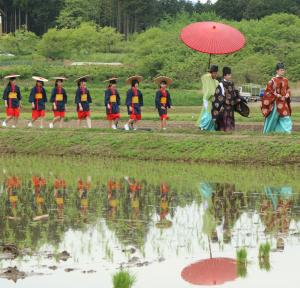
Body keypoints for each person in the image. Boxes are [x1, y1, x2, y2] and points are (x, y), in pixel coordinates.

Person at [261, 63, 292, 134]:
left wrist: (287, 94)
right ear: (277, 71)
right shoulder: (272, 81)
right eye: (281, 70)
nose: (283, 71)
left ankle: (286, 132)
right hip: (276, 103)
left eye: (283, 70)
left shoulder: (285, 80)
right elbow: (268, 92)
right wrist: (277, 95)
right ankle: (269, 132)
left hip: (284, 102)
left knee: (286, 117)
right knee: (273, 119)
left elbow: (288, 89)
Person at [211, 67, 241, 132]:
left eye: (230, 74)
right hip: (224, 106)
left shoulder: (231, 83)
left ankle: (230, 130)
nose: (230, 76)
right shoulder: (221, 84)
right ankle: (224, 131)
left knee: (230, 119)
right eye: (228, 75)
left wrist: (238, 98)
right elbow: (218, 95)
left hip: (231, 106)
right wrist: (221, 105)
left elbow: (235, 93)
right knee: (224, 119)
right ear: (224, 75)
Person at [198, 65, 219, 131]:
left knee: (213, 115)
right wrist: (209, 72)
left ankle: (209, 128)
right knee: (208, 114)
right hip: (207, 99)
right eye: (214, 73)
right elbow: (204, 77)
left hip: (213, 101)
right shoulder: (207, 78)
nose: (215, 74)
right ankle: (202, 126)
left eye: (216, 73)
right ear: (211, 73)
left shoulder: (216, 81)